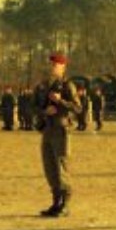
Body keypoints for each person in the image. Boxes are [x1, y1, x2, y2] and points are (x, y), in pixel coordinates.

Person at [37, 53, 81, 217]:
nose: (52, 67)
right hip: (47, 129)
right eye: (51, 64)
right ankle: (56, 201)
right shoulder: (44, 86)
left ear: (63, 67)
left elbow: (77, 108)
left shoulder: (67, 86)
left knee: (61, 166)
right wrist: (44, 111)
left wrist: (60, 101)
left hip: (61, 129)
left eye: (56, 65)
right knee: (50, 168)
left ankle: (65, 203)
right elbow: (35, 105)